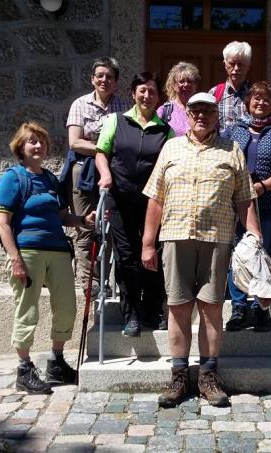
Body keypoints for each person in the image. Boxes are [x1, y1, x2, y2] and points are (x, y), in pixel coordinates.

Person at [141, 92, 261, 408]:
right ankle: (179, 376)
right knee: (178, 308)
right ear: (189, 115)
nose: (201, 117)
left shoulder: (232, 150)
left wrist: (255, 236)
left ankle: (208, 376)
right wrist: (147, 243)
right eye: (195, 111)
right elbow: (156, 198)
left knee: (210, 308)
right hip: (176, 236)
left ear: (216, 116)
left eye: (208, 111)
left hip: (216, 238)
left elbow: (245, 199)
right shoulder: (171, 147)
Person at [0, 122, 95, 394]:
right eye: (32, 142)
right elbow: (3, 223)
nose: (38, 146)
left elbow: (63, 217)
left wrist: (83, 220)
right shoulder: (13, 178)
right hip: (28, 252)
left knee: (66, 308)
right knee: (27, 309)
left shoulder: (51, 179)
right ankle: (24, 369)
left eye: (42, 141)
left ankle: (56, 362)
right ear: (21, 147)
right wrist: (15, 258)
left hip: (59, 251)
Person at [95, 72, 173, 337]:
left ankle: (153, 310)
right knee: (127, 258)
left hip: (153, 203)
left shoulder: (165, 130)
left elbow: (172, 165)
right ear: (133, 93)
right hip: (120, 200)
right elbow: (101, 153)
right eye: (142, 90)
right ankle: (132, 315)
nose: (147, 95)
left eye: (152, 91)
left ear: (158, 96)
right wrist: (105, 175)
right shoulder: (116, 121)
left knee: (153, 256)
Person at [222, 81, 271, 332]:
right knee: (238, 255)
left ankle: (261, 308)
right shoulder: (234, 131)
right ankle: (239, 308)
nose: (260, 103)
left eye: (266, 100)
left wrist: (263, 186)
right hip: (236, 204)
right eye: (256, 99)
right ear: (248, 103)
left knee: (260, 254)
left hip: (268, 202)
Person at [61, 56, 129, 295]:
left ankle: (103, 282)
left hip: (111, 173)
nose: (104, 80)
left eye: (109, 76)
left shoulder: (123, 107)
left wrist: (102, 146)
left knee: (107, 227)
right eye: (100, 75)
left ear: (116, 81)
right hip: (83, 173)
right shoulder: (80, 104)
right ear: (92, 79)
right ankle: (89, 283)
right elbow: (75, 142)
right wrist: (105, 147)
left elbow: (126, 141)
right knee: (86, 227)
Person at [209, 41, 252, 133]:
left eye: (240, 64)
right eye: (232, 64)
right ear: (225, 65)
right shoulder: (214, 93)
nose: (236, 68)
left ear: (248, 66)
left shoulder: (255, 94)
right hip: (221, 146)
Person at [157, 61, 200, 137]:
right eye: (181, 81)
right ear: (173, 85)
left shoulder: (202, 109)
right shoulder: (164, 111)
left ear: (195, 85)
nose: (186, 85)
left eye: (190, 81)